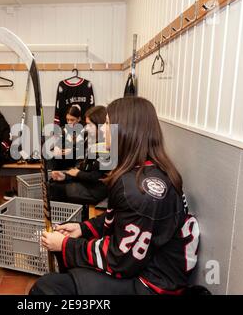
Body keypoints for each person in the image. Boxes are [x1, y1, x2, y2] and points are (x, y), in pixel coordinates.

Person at [30, 97, 200, 295]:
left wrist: (66, 245)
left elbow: (120, 260)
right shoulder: (144, 171)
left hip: (152, 284)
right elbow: (122, 218)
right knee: (65, 260)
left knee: (46, 288)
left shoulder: (139, 191)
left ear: (127, 130)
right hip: (144, 265)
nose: (103, 129)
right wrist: (83, 228)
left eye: (109, 123)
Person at [49, 106, 109, 219]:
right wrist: (65, 176)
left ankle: (59, 226)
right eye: (86, 124)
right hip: (87, 183)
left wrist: (76, 174)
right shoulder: (90, 140)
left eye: (90, 124)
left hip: (96, 190)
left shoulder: (105, 146)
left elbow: (95, 177)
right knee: (53, 182)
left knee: (55, 189)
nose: (86, 128)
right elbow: (84, 168)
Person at [52, 105, 84, 171]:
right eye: (67, 120)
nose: (69, 122)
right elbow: (58, 143)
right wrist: (56, 147)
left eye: (72, 120)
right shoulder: (63, 130)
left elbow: (84, 150)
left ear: (79, 119)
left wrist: (72, 151)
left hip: (77, 165)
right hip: (63, 165)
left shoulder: (84, 131)